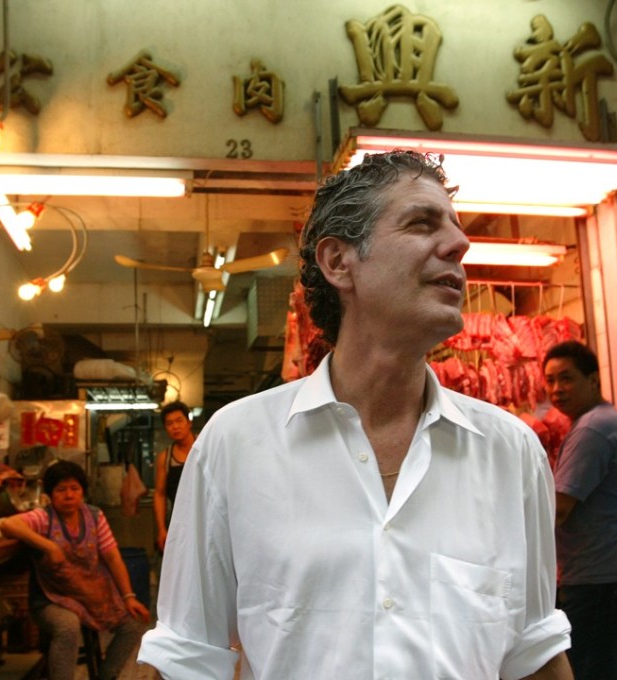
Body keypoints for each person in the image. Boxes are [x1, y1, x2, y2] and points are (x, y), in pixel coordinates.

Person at [139, 150, 572, 679]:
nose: (460, 244)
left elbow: (533, 654)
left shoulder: (510, 451)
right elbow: (184, 657)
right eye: (421, 222)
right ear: (339, 262)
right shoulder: (236, 444)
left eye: (456, 230)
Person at [543, 340, 617, 680]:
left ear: (593, 380)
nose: (557, 389)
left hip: (602, 579)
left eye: (567, 378)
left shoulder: (592, 429)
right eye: (550, 381)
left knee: (592, 669)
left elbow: (559, 509)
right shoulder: (603, 421)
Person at [0, 460, 150, 680]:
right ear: (50, 494)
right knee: (68, 626)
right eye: (61, 490)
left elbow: (113, 557)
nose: (69, 495)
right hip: (50, 600)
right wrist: (48, 545)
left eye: (74, 489)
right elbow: (7, 525)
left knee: (134, 623)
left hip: (91, 597)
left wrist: (129, 597)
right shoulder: (44, 517)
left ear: (82, 492)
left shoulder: (95, 516)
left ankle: (106, 676)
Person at [152, 401, 196, 552]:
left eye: (179, 421)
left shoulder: (205, 448)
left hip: (207, 518)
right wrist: (162, 528)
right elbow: (159, 494)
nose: (175, 426)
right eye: (169, 423)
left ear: (189, 423)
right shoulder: (165, 457)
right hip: (179, 522)